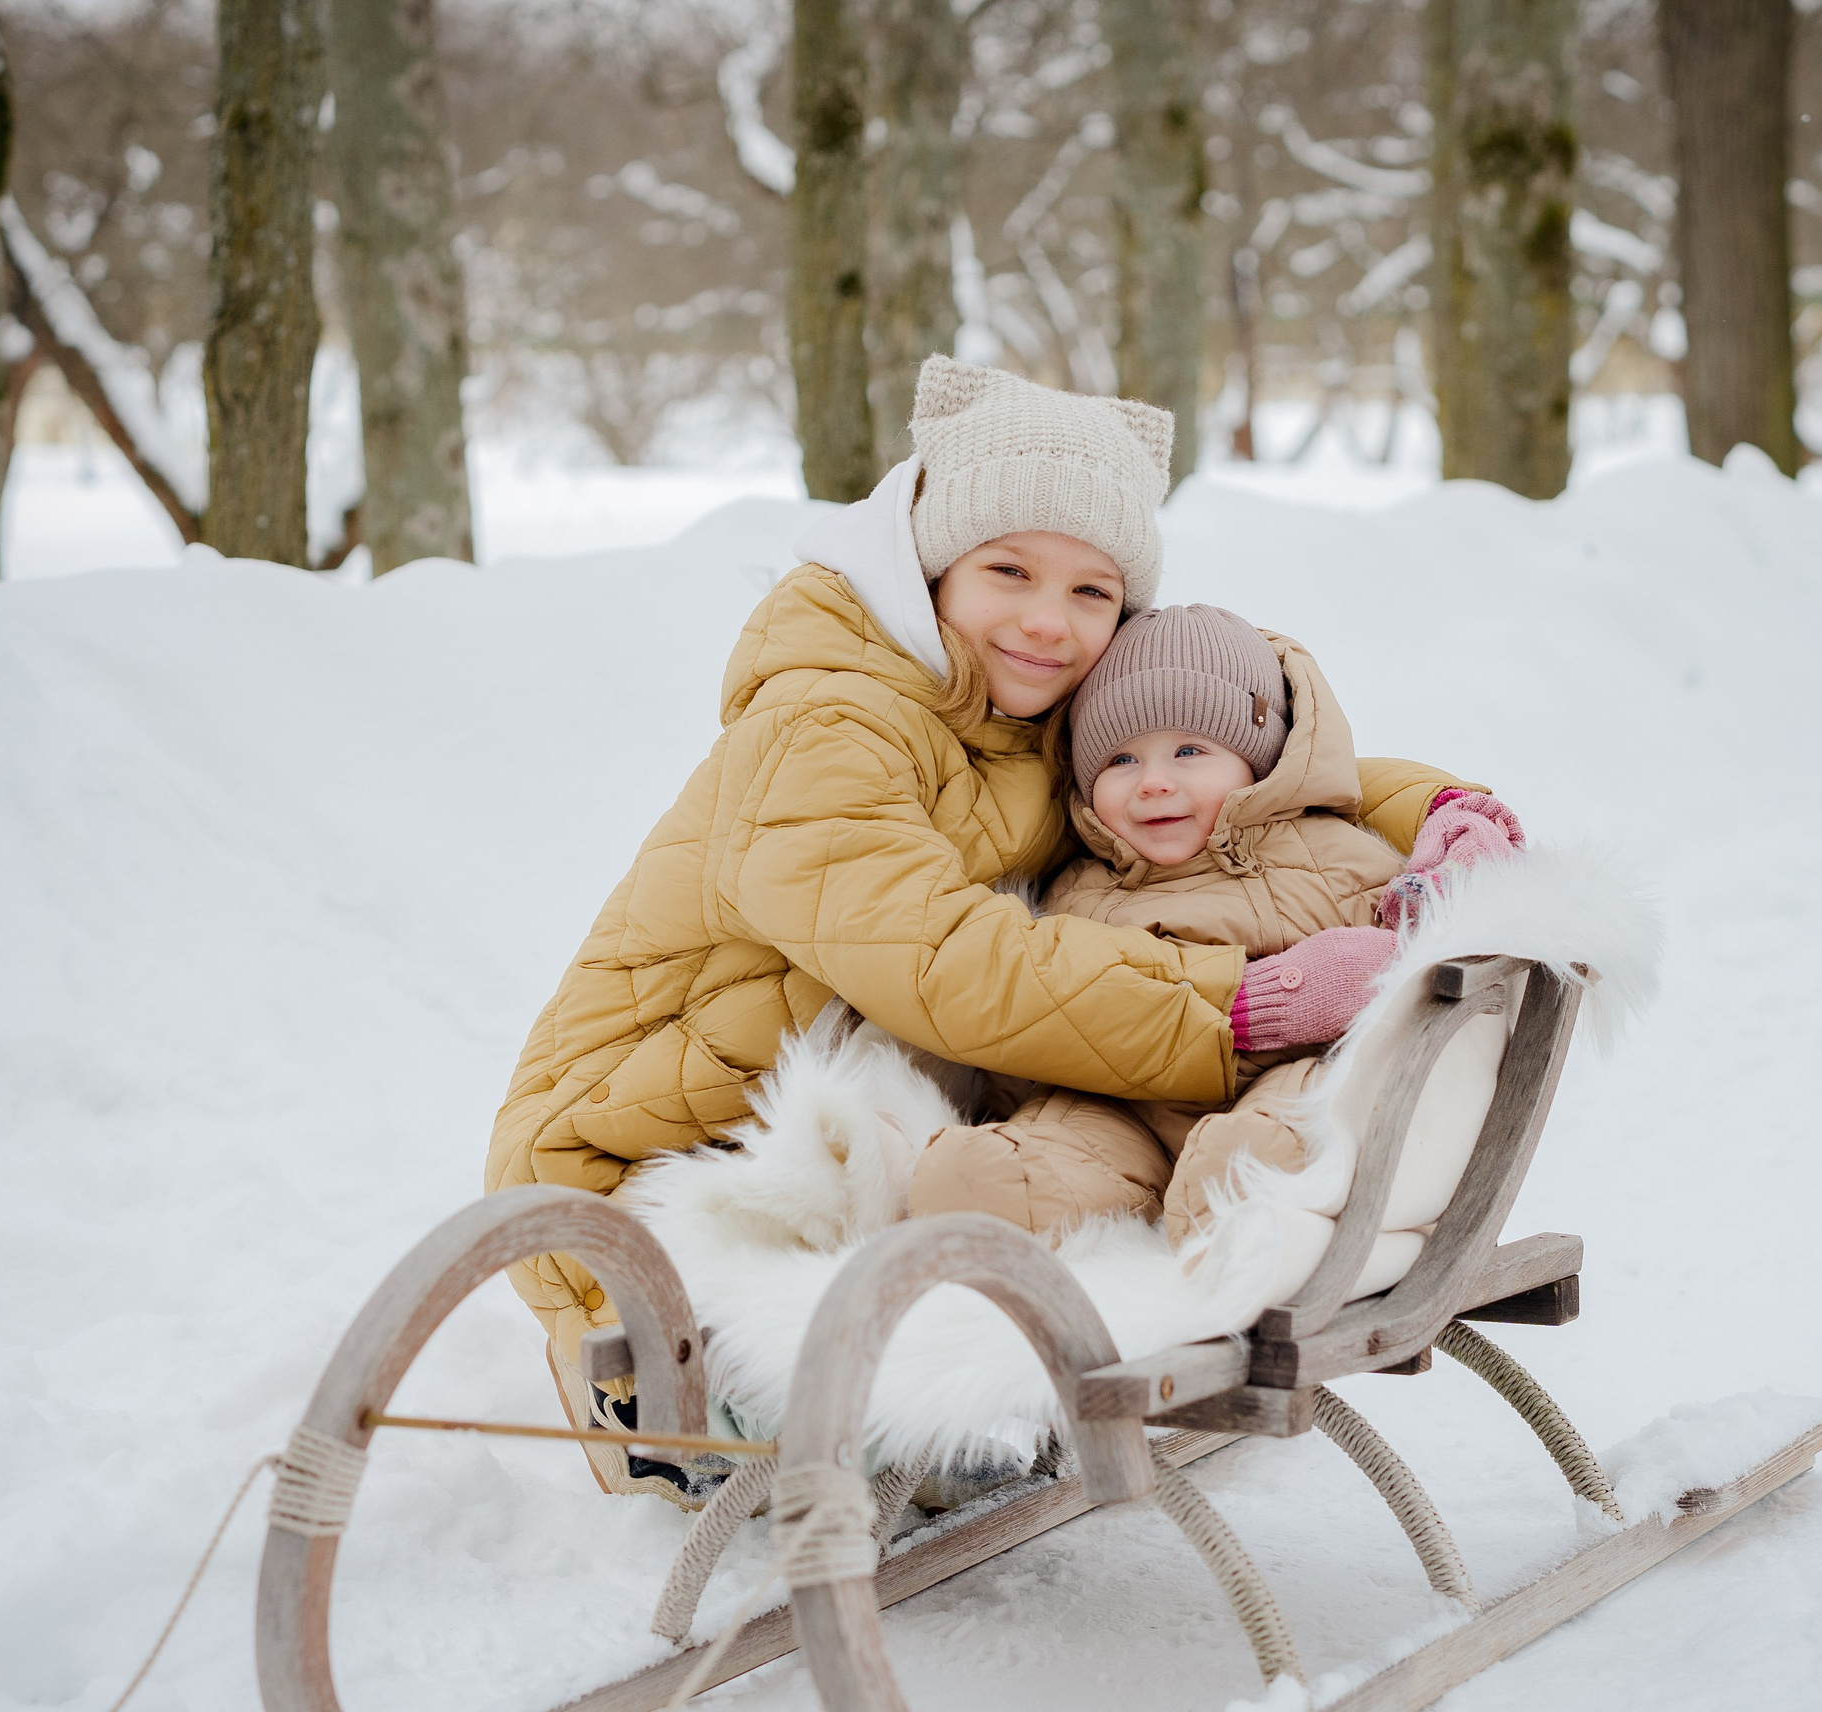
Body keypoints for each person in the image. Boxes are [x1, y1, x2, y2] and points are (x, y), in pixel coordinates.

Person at [485, 357, 1486, 1496]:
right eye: (1008, 569)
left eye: (1092, 591)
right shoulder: (826, 724)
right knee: (852, 1405)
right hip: (652, 1156)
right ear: (927, 565)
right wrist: (1237, 1007)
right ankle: (697, 1434)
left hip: (869, 1116)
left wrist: (1439, 810)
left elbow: (1227, 745)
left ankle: (942, 1422)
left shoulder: (1018, 701)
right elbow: (948, 964)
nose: (1048, 621)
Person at [905, 604, 1521, 1245]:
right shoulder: (1076, 888)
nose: (1153, 782)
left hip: (1287, 1075)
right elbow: (1048, 1015)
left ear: (1259, 760)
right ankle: (1005, 1191)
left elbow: (1415, 964)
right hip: (1123, 1104)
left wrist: (1426, 906)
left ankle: (1251, 1191)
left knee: (1303, 1110)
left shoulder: (1335, 855)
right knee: (1044, 1144)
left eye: (1189, 751)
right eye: (1120, 760)